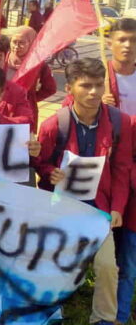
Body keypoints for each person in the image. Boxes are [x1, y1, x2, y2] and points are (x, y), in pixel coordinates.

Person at [34, 58, 132, 325]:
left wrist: (117, 208)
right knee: (53, 262)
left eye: (98, 85)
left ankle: (103, 319)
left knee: (107, 267)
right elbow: (41, 162)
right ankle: (51, 310)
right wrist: (48, 172)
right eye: (86, 85)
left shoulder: (119, 122)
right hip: (62, 208)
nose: (94, 92)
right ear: (70, 89)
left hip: (99, 211)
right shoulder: (54, 125)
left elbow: (122, 169)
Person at [98, 18, 136, 324]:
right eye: (121, 39)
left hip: (132, 172)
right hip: (103, 172)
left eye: (133, 40)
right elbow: (71, 107)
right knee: (101, 243)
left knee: (130, 252)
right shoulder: (99, 76)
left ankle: (118, 316)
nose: (127, 45)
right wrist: (96, 102)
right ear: (110, 42)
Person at [6, 26, 56, 131]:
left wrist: (31, 98)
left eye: (21, 43)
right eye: (14, 42)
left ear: (32, 43)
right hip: (2, 109)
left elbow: (50, 88)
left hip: (25, 111)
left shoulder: (37, 64)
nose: (16, 46)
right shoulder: (2, 58)